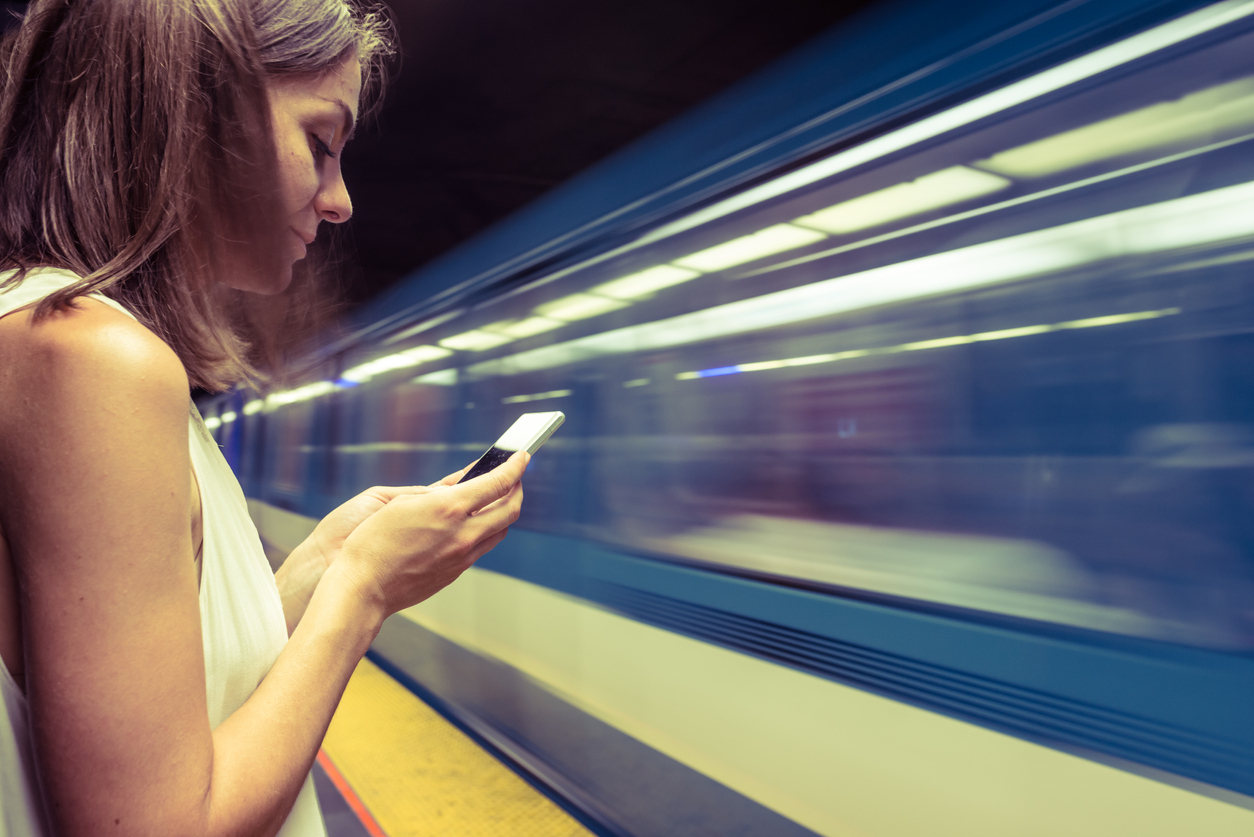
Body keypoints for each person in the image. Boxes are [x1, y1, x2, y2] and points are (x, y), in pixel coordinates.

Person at [0, 2, 527, 835]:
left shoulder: (52, 330)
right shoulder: (93, 359)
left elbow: (167, 691)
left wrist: (322, 561)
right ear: (191, 108)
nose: (341, 200)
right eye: (320, 144)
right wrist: (363, 593)